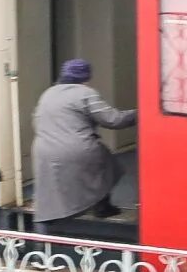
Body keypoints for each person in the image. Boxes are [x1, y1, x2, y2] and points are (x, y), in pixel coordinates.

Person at [31, 59, 137, 237]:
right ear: (86, 76)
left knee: (45, 193)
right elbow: (112, 120)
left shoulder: (48, 93)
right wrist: (141, 113)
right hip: (77, 148)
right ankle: (102, 207)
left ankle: (39, 246)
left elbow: (36, 120)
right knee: (108, 164)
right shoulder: (85, 93)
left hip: (43, 150)